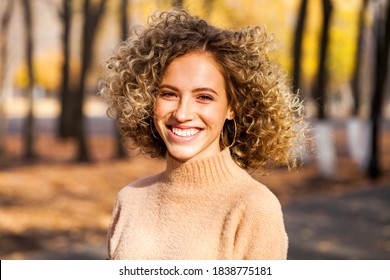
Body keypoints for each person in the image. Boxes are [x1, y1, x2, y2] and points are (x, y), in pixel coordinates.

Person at [100, 8, 307, 260]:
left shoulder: (253, 207)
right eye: (168, 94)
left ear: (233, 107)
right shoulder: (130, 200)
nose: (182, 113)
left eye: (204, 97)